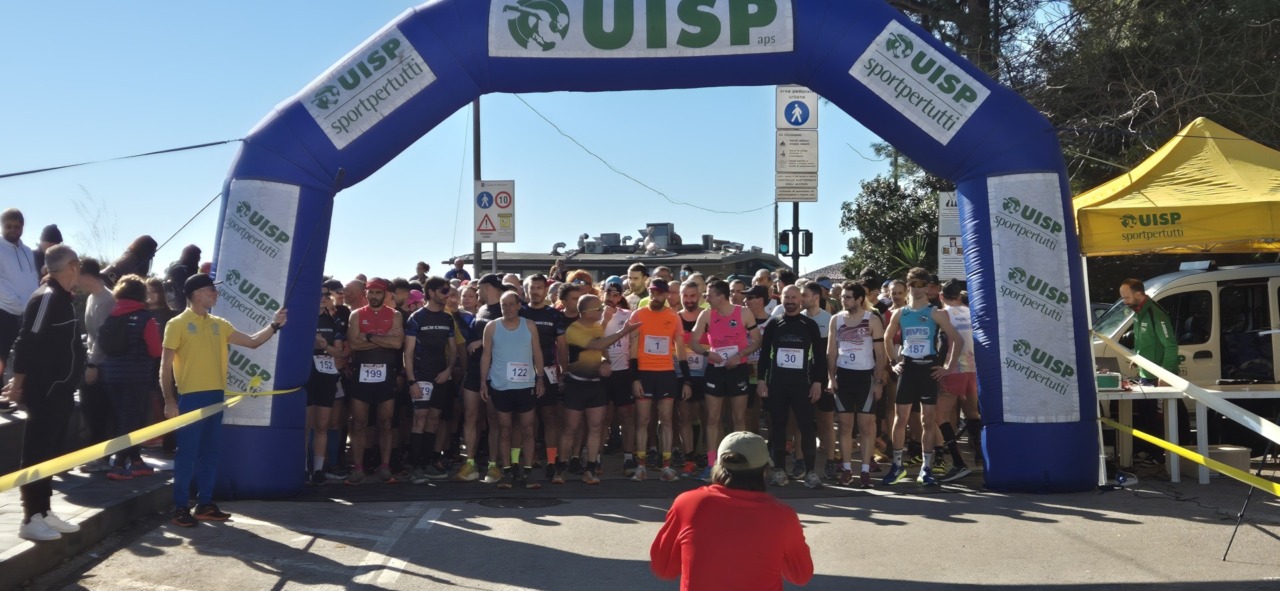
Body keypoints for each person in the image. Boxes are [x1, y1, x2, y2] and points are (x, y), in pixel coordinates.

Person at [161, 273, 287, 527]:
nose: (216, 294)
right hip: (190, 399)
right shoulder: (177, 324)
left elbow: (252, 342)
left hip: (216, 397)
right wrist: (169, 400)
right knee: (187, 454)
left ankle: (204, 504)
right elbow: (164, 367)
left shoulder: (220, 323)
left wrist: (274, 325)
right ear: (197, 294)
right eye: (211, 290)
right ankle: (180, 507)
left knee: (210, 454)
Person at [650, 431, 813, 590]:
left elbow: (663, 567)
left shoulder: (687, 503)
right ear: (764, 471)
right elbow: (801, 576)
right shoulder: (783, 517)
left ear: (718, 466)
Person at [5, 245, 85, 541]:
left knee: (51, 453)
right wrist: (18, 383)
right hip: (45, 392)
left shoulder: (63, 299)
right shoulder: (46, 297)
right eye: (78, 264)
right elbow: (26, 342)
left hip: (62, 392)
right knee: (37, 452)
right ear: (72, 266)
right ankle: (30, 518)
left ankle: (45, 510)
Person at [881, 268, 962, 487]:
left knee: (928, 420)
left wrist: (946, 367)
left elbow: (957, 339)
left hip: (928, 369)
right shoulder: (901, 313)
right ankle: (897, 466)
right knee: (900, 419)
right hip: (908, 369)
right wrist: (893, 363)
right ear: (908, 286)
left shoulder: (936, 312)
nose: (917, 290)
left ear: (928, 287)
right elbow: (887, 338)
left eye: (921, 285)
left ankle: (926, 468)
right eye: (913, 285)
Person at [553, 293, 638, 484]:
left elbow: (602, 351)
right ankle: (560, 468)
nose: (602, 311)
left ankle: (590, 468)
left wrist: (606, 362)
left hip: (596, 384)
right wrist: (623, 332)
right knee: (570, 428)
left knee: (596, 427)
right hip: (576, 383)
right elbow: (597, 344)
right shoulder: (574, 329)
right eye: (598, 309)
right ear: (586, 312)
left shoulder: (598, 326)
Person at [688, 279, 761, 481]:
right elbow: (693, 341)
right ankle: (712, 465)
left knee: (739, 417)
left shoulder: (743, 312)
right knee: (713, 418)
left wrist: (739, 355)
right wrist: (706, 354)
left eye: (709, 295)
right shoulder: (706, 314)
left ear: (721, 296)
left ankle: (739, 463)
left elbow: (757, 340)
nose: (706, 298)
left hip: (737, 369)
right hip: (715, 369)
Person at [758, 286, 828, 489]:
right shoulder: (774, 323)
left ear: (800, 300)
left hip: (802, 385)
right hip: (777, 384)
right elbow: (764, 355)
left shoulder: (809, 325)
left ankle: (811, 472)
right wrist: (762, 380)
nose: (789, 300)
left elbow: (819, 357)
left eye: (793, 297)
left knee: (806, 428)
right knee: (778, 427)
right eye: (786, 297)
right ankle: (779, 470)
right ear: (782, 299)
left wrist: (818, 382)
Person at [627, 278, 692, 482]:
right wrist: (635, 378)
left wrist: (687, 380)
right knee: (643, 420)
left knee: (666, 419)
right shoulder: (638, 314)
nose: (656, 296)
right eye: (653, 292)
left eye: (660, 293)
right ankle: (641, 466)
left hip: (666, 373)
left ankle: (666, 465)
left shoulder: (673, 317)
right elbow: (632, 348)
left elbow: (681, 350)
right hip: (644, 373)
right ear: (649, 292)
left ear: (667, 295)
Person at [480, 291, 546, 490]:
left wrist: (540, 378)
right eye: (503, 305)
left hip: (525, 385)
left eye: (511, 304)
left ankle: (527, 471)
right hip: (501, 386)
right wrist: (483, 382)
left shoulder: (529, 325)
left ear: (519, 305)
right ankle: (507, 471)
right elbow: (485, 356)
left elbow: (537, 352)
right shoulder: (491, 327)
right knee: (505, 430)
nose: (507, 308)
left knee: (527, 429)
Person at [100, 274, 162, 481]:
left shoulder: (111, 316)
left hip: (111, 375)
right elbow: (155, 350)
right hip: (136, 377)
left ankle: (136, 461)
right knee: (131, 421)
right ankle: (118, 464)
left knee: (124, 419)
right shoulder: (146, 319)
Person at [826, 281, 887, 488]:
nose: (843, 300)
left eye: (848, 297)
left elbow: (880, 354)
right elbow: (831, 351)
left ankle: (865, 471)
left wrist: (878, 381)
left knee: (866, 427)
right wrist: (831, 377)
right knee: (844, 426)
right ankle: (846, 469)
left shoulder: (872, 319)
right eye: (842, 297)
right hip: (843, 377)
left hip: (865, 378)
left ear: (860, 299)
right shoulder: (836, 319)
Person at [343, 278, 404, 484]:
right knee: (359, 423)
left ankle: (385, 466)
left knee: (386, 422)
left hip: (386, 372)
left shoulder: (394, 315)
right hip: (361, 372)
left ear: (385, 294)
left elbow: (397, 344)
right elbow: (353, 344)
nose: (374, 297)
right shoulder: (356, 315)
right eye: (371, 293)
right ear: (366, 294)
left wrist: (367, 337)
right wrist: (383, 340)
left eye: (378, 293)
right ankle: (358, 467)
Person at [1119, 277, 1184, 460]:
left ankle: (1166, 457)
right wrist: (1138, 358)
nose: (1125, 302)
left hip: (1159, 377)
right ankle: (1151, 454)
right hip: (1145, 375)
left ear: (1139, 294)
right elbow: (1146, 342)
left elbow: (1170, 345)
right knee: (1147, 418)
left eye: (1126, 297)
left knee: (1162, 420)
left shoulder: (1156, 313)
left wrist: (1166, 373)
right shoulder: (1139, 312)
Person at [403, 277, 458, 482]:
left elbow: (452, 350)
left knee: (434, 420)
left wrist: (449, 370)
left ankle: (427, 463)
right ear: (432, 292)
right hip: (421, 375)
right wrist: (411, 381)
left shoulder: (447, 319)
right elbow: (407, 352)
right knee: (420, 418)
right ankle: (415, 465)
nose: (447, 296)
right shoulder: (417, 317)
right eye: (444, 291)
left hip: (441, 375)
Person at [936, 279, 978, 482]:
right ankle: (981, 457)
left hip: (953, 369)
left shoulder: (944, 314)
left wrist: (942, 366)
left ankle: (958, 462)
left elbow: (945, 342)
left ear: (941, 296)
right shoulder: (971, 311)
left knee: (940, 415)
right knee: (973, 413)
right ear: (960, 296)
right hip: (973, 369)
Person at [78, 258, 117, 472]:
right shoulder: (92, 298)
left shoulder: (107, 300)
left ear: (88, 275)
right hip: (92, 359)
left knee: (98, 410)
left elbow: (103, 336)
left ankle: (101, 457)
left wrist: (92, 364)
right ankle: (96, 455)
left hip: (102, 364)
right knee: (90, 408)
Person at [306, 282, 347, 485]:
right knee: (307, 425)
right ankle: (304, 467)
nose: (322, 298)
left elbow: (340, 352)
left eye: (325, 295)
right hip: (306, 376)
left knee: (323, 424)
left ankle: (318, 469)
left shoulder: (334, 321)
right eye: (318, 294)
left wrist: (325, 346)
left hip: (326, 376)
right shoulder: (304, 318)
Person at [0, 208, 39, 387]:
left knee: (29, 354)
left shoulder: (28, 251)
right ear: (2, 226)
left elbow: (33, 279)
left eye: (17, 226)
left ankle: (23, 393)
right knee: (1, 355)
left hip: (28, 314)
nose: (13, 230)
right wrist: (18, 303)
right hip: (5, 312)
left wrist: (33, 304)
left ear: (22, 227)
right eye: (8, 226)